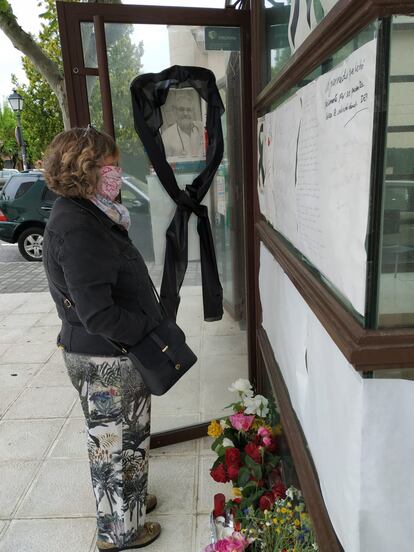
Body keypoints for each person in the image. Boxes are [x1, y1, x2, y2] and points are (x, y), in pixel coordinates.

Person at [42, 126, 162, 552]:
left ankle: (130, 503)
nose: (119, 171)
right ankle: (120, 533)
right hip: (105, 360)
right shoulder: (78, 226)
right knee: (111, 446)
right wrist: (144, 329)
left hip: (109, 356)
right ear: (86, 169)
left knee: (126, 436)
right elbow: (98, 314)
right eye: (111, 164)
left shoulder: (91, 212)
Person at [162, 92, 204, 158]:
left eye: (189, 110)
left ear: (193, 112)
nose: (185, 113)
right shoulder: (167, 136)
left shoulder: (202, 128)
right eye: (181, 109)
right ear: (175, 112)